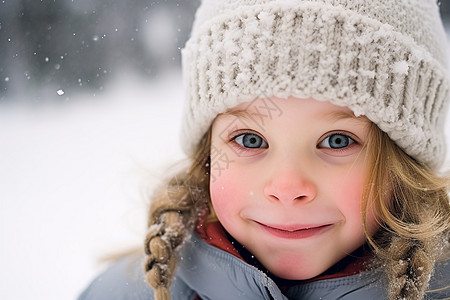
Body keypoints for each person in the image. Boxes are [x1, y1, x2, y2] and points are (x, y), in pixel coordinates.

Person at [78, 0, 450, 299]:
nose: (287, 188)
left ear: (406, 164)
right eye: (250, 140)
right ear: (207, 154)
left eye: (337, 140)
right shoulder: (119, 292)